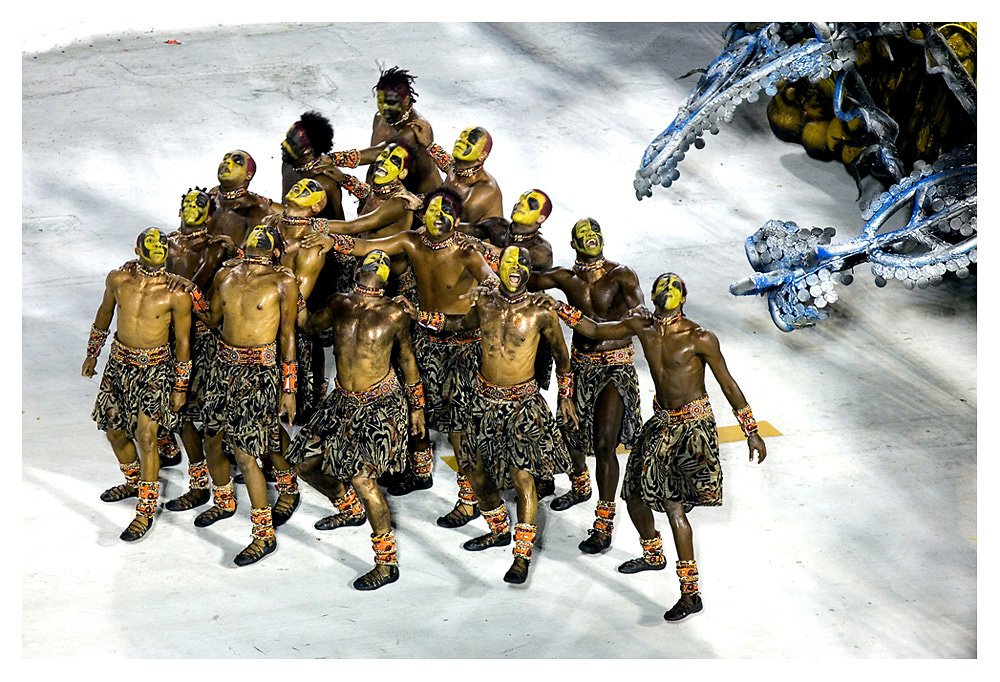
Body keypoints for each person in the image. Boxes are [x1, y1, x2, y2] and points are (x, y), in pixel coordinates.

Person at [542, 272, 767, 620]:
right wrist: (559, 307)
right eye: (662, 285)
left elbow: (728, 383)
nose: (667, 290)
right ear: (652, 293)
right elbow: (596, 330)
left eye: (675, 286)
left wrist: (750, 429)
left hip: (692, 428)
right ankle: (653, 554)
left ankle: (690, 593)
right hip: (660, 424)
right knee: (633, 493)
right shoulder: (642, 327)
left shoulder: (699, 338)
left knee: (673, 506)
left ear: (685, 296)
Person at [303, 187, 499, 528]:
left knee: (459, 430)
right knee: (414, 408)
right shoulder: (412, 240)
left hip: (461, 346)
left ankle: (470, 502)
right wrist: (325, 236)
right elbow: (366, 245)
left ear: (456, 217)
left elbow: (491, 282)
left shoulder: (466, 250)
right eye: (433, 209)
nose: (438, 216)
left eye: (446, 211)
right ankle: (421, 471)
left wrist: (484, 287)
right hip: (424, 339)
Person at [409, 244, 577, 584]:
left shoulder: (541, 312)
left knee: (523, 477)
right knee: (473, 470)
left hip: (522, 406)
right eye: (511, 261)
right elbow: (458, 323)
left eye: (524, 262)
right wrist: (418, 315)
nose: (517, 266)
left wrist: (566, 398)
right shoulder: (484, 303)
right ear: (497, 266)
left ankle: (522, 555)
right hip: (482, 401)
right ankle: (499, 528)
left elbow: (562, 356)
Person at [286, 250, 425, 590]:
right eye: (372, 260)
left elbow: (406, 359)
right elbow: (307, 325)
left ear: (388, 278)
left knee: (364, 480)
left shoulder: (394, 314)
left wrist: (417, 406)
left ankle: (386, 562)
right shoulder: (339, 304)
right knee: (304, 463)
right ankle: (348, 507)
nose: (377, 263)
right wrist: (294, 289)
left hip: (380, 403)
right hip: (342, 400)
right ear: (358, 270)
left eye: (383, 262)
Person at [529, 217, 645, 553]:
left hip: (616, 367)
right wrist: (484, 251)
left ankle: (603, 524)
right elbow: (527, 279)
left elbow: (638, 311)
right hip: (580, 366)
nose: (591, 237)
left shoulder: (621, 274)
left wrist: (568, 314)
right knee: (568, 430)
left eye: (595, 232)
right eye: (584, 234)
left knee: (605, 445)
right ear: (573, 243)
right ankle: (580, 484)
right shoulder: (567, 277)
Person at [193, 225, 300, 566]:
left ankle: (263, 534)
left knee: (247, 452)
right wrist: (188, 294)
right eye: (255, 233)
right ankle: (224, 500)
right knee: (212, 437)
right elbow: (211, 319)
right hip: (221, 368)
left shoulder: (283, 282)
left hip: (259, 374)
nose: (258, 236)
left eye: (266, 236)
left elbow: (288, 337)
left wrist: (288, 388)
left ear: (275, 250)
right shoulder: (225, 274)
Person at [84, 227, 192, 541]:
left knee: (147, 437)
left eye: (163, 242)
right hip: (119, 365)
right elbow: (104, 313)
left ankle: (144, 510)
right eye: (151, 241)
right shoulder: (118, 279)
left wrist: (180, 386)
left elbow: (184, 340)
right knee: (114, 431)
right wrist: (92, 353)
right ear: (137, 247)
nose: (158, 245)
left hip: (156, 369)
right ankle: (133, 481)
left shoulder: (176, 292)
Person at [159, 187, 233, 512]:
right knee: (181, 411)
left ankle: (224, 491)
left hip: (205, 339)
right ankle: (198, 483)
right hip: (169, 338)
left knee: (211, 415)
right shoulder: (164, 244)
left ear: (209, 213)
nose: (192, 208)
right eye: (186, 202)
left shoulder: (217, 247)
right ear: (178, 210)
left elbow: (202, 283)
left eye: (199, 204)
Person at [329, 66, 447, 194]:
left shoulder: (415, 128)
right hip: (392, 192)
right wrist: (368, 198)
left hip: (422, 198)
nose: (384, 108)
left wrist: (332, 159)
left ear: (406, 100)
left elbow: (378, 152)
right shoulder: (379, 118)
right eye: (380, 102)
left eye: (391, 102)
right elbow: (374, 164)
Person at [280, 110, 346, 220]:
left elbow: (340, 222)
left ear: (307, 151)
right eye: (287, 139)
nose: (283, 144)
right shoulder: (288, 164)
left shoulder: (326, 183)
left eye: (291, 143)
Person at [210, 149, 281, 247]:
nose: (227, 161)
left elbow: (254, 252)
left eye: (237, 161)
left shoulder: (257, 210)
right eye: (225, 158)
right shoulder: (208, 199)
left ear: (248, 175)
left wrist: (234, 252)